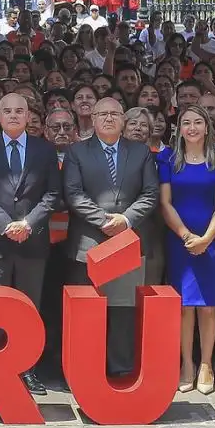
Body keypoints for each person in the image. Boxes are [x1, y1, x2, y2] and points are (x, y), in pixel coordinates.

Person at [0, 91, 62, 395]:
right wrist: (4, 225)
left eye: (18, 110)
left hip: (32, 241)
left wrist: (28, 224)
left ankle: (27, 369)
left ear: (28, 115)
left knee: (29, 309)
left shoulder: (44, 150)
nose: (12, 115)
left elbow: (52, 195)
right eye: (6, 111)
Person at [64, 96, 159, 377]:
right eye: (102, 114)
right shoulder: (76, 152)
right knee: (86, 313)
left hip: (127, 243)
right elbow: (73, 193)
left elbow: (150, 193)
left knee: (122, 311)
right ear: (92, 119)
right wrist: (103, 220)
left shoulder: (140, 152)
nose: (108, 118)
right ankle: (83, 372)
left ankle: (120, 371)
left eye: (114, 114)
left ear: (123, 121)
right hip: (88, 244)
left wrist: (126, 219)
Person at [160, 106, 215, 395]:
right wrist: (187, 236)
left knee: (208, 306)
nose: (192, 127)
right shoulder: (168, 160)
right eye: (186, 122)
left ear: (207, 127)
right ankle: (186, 363)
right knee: (184, 305)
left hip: (212, 241)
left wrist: (206, 238)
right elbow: (165, 203)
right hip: (180, 240)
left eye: (198, 122)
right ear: (179, 129)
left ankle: (206, 364)